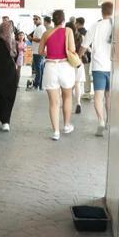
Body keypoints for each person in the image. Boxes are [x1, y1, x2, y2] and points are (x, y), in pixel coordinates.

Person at [39, 9, 77, 140]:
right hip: (65, 66)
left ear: (53, 20)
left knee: (53, 102)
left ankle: (56, 132)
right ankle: (66, 125)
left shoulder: (46, 33)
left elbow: (40, 51)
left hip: (50, 67)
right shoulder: (68, 31)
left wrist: (50, 54)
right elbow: (72, 49)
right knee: (67, 97)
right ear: (63, 20)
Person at [84, 2, 114, 136]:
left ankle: (101, 121)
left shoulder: (95, 26)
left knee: (98, 96)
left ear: (102, 11)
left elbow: (84, 45)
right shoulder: (117, 26)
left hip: (98, 67)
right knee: (109, 96)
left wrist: (77, 56)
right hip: (113, 67)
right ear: (112, 11)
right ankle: (109, 121)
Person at [67, 21, 87, 114]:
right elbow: (85, 49)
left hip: (68, 63)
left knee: (68, 85)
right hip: (79, 63)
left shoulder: (67, 38)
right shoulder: (81, 37)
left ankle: (67, 103)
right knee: (77, 84)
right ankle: (78, 103)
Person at [75, 17, 92, 96]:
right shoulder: (88, 32)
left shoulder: (76, 33)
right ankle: (87, 91)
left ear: (78, 23)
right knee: (86, 74)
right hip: (87, 57)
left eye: (76, 23)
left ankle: (76, 91)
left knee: (76, 75)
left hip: (77, 57)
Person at [29, 15, 47, 91]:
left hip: (38, 52)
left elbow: (40, 39)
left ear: (40, 20)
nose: (35, 20)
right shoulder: (39, 28)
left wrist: (31, 38)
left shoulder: (40, 28)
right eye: (34, 19)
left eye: (36, 19)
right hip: (38, 51)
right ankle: (40, 84)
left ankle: (37, 84)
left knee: (38, 69)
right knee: (40, 68)